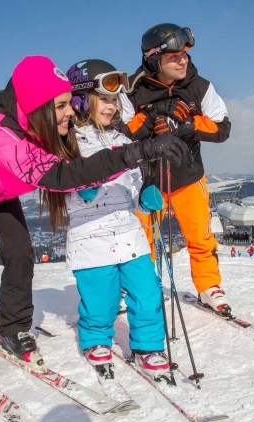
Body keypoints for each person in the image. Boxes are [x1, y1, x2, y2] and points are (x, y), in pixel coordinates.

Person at [0, 55, 188, 379]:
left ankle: (14, 328)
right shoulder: (0, 134)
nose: (70, 111)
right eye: (62, 105)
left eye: (70, 103)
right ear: (38, 106)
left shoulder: (44, 127)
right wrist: (139, 152)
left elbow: (88, 154)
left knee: (21, 251)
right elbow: (62, 176)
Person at [63, 59, 173, 379]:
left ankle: (148, 345)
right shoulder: (69, 141)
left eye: (115, 101)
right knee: (102, 298)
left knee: (147, 291)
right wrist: (83, 184)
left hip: (128, 230)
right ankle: (97, 337)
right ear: (82, 99)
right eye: (105, 99)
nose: (112, 107)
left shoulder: (124, 141)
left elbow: (134, 182)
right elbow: (64, 181)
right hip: (90, 234)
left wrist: (145, 196)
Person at [121, 23, 233, 316]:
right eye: (173, 56)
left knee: (200, 235)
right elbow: (120, 134)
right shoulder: (132, 90)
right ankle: (139, 288)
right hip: (146, 180)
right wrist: (151, 121)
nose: (182, 61)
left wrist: (187, 125)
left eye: (184, 54)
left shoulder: (200, 86)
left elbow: (222, 128)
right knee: (139, 239)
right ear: (154, 59)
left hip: (187, 175)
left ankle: (208, 287)